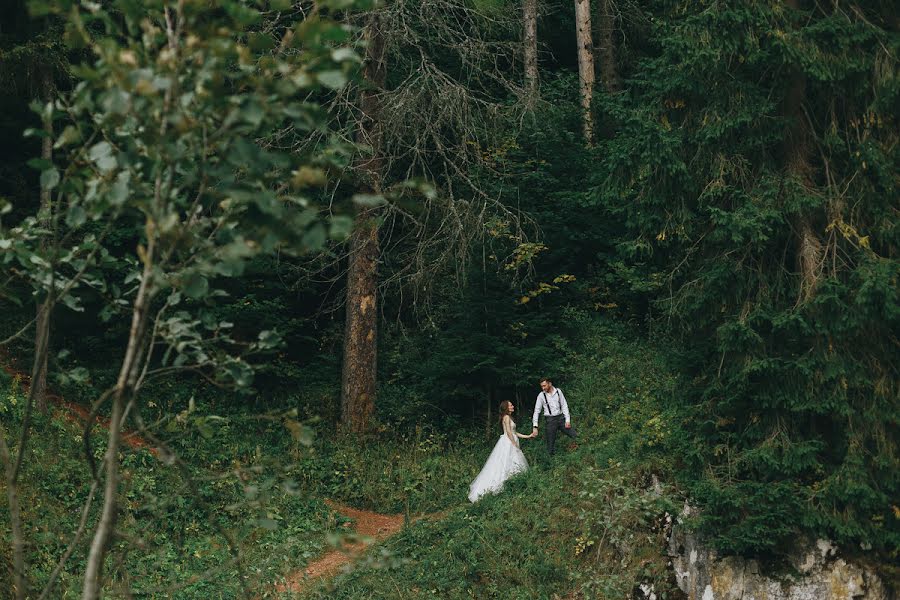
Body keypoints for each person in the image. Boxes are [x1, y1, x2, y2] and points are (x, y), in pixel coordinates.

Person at [468, 400, 536, 503]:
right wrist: (514, 444)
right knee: (505, 462)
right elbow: (509, 432)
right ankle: (503, 485)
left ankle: (514, 483)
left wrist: (528, 436)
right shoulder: (507, 417)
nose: (513, 406)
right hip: (508, 443)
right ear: (506, 407)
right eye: (511, 405)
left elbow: (514, 432)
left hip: (510, 440)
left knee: (512, 462)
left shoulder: (509, 417)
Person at [531, 377, 576, 456]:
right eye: (542, 386)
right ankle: (550, 463)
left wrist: (567, 420)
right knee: (550, 444)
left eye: (544, 386)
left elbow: (564, 405)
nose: (543, 388)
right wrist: (535, 426)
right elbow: (537, 411)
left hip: (561, 418)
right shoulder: (541, 395)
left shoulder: (558, 391)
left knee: (574, 435)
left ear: (550, 383)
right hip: (550, 420)